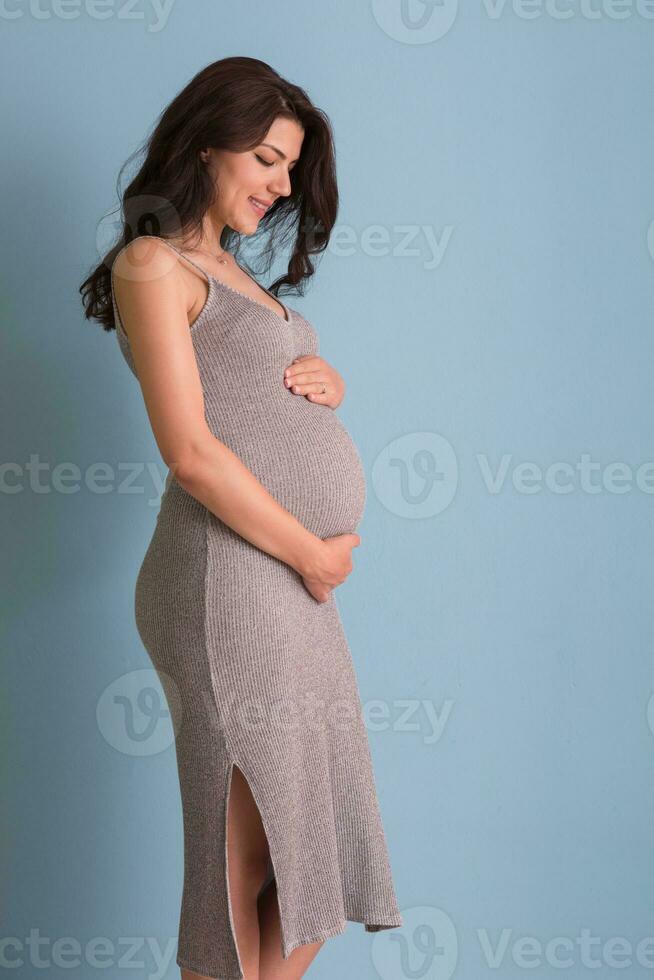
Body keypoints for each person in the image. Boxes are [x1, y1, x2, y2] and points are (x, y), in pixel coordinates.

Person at [80, 56, 402, 980]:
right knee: (249, 859)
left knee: (302, 868)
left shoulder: (231, 269)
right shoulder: (154, 262)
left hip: (290, 584)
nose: (280, 185)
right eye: (266, 157)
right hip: (229, 579)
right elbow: (188, 450)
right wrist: (313, 553)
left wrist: (323, 380)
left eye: (290, 168)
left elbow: (250, 389)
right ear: (205, 144)